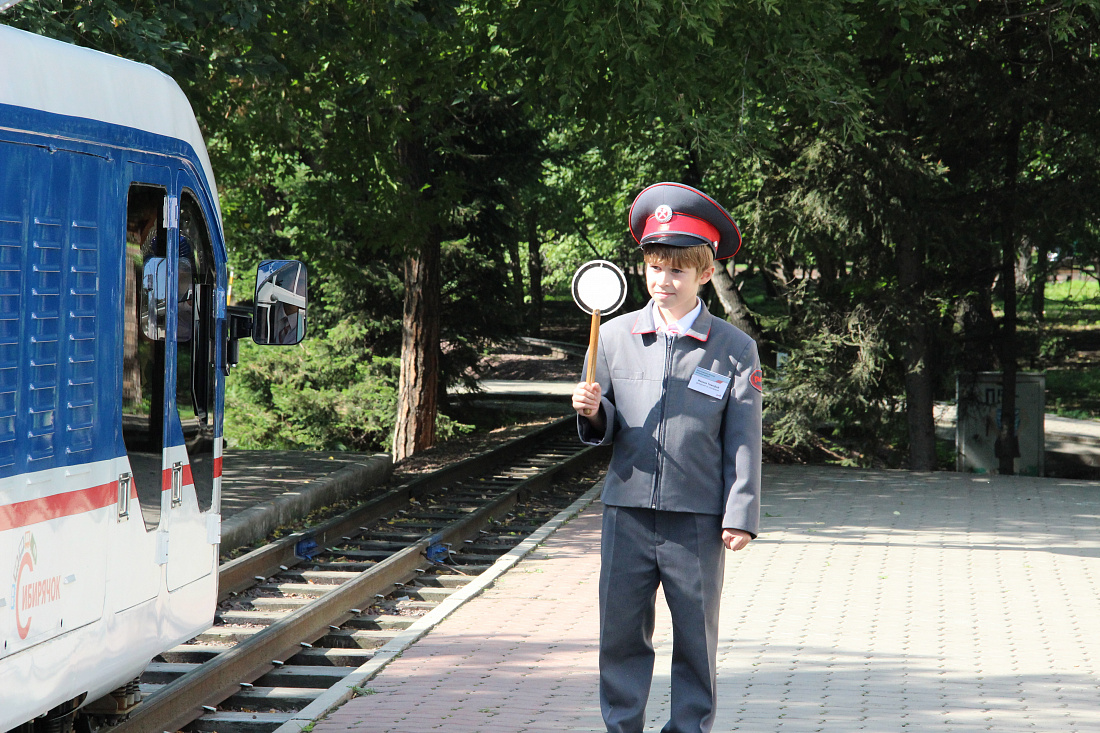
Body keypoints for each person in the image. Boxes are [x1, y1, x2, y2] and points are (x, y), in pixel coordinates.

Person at [572, 182, 762, 733]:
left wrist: (740, 514)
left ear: (705, 273)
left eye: (677, 270)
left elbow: (744, 438)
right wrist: (590, 410)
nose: (663, 280)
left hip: (697, 520)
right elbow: (604, 424)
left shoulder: (733, 348)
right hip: (626, 513)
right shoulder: (612, 337)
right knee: (621, 637)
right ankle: (622, 726)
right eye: (655, 267)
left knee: (696, 643)